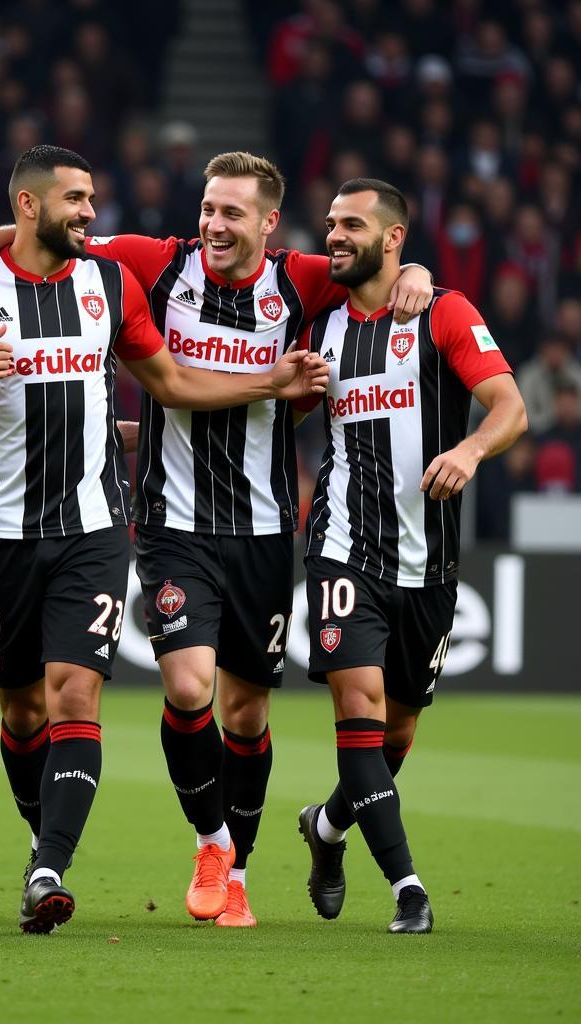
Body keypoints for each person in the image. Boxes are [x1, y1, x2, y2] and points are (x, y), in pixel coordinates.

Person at [0, 151, 433, 926]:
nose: (214, 225)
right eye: (208, 209)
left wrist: (421, 274)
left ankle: (239, 868)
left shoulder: (300, 279)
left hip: (266, 529)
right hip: (172, 524)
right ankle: (211, 844)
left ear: (269, 224)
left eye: (232, 213)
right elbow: (53, 232)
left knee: (246, 715)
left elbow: (370, 254)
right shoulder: (155, 264)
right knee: (188, 686)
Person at [295, 178, 526, 934]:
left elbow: (510, 408)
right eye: (330, 223)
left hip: (429, 563)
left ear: (393, 239)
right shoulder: (318, 328)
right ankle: (408, 889)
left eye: (352, 225)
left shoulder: (443, 311)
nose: (334, 235)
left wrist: (470, 447)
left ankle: (327, 829)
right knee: (357, 711)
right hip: (341, 551)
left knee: (394, 736)